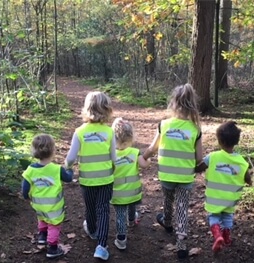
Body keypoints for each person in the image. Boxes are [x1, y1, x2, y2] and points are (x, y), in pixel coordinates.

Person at [142, 83, 203, 259]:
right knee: (182, 207)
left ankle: (167, 222)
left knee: (168, 200)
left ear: (174, 103)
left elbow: (153, 148)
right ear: (192, 105)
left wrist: (143, 157)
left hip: (166, 174)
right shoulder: (195, 129)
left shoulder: (164, 125)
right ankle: (182, 244)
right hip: (185, 176)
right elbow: (199, 157)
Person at [65, 91, 116, 261]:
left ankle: (92, 230)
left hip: (87, 180)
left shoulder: (79, 132)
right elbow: (114, 158)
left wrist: (67, 166)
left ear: (87, 109)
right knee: (103, 209)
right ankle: (102, 246)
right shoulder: (109, 132)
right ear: (106, 109)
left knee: (90, 207)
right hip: (106, 179)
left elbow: (71, 158)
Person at [196, 121, 252, 252]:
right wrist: (250, 182)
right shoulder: (241, 162)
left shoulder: (213, 157)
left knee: (213, 216)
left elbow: (199, 168)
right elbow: (247, 178)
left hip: (214, 197)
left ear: (219, 141)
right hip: (230, 198)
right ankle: (226, 236)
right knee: (227, 216)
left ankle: (217, 235)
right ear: (237, 141)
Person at [21, 134, 73, 259]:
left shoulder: (30, 170)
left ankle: (42, 237)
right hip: (54, 206)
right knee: (54, 225)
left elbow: (25, 189)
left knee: (42, 218)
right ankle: (53, 248)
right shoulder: (56, 169)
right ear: (52, 151)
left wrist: (26, 197)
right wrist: (70, 169)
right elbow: (68, 179)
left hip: (38, 205)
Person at [110, 117, 151, 250]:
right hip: (133, 190)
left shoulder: (111, 155)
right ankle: (132, 220)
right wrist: (148, 159)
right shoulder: (135, 152)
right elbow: (144, 165)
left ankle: (121, 239)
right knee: (131, 205)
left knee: (120, 215)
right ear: (131, 137)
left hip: (118, 192)